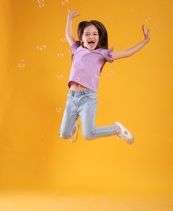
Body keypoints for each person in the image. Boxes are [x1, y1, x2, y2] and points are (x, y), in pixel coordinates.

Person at [59, 10, 150, 144]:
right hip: (71, 97)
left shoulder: (102, 54)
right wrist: (69, 17)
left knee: (88, 135)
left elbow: (127, 53)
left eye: (95, 34)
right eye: (87, 34)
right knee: (64, 135)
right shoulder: (77, 49)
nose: (91, 36)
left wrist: (145, 41)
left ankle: (117, 129)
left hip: (88, 98)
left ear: (99, 38)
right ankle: (73, 127)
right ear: (82, 38)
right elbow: (67, 34)